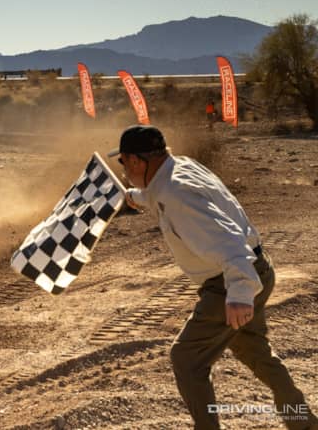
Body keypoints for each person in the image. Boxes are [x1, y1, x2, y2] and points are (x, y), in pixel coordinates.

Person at [110, 125, 318, 430]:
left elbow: (227, 239)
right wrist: (138, 197)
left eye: (124, 163)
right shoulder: (179, 168)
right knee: (255, 351)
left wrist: (238, 293)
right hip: (257, 267)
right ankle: (305, 424)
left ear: (138, 161)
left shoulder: (175, 193)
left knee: (186, 358)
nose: (124, 170)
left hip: (231, 278)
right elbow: (173, 196)